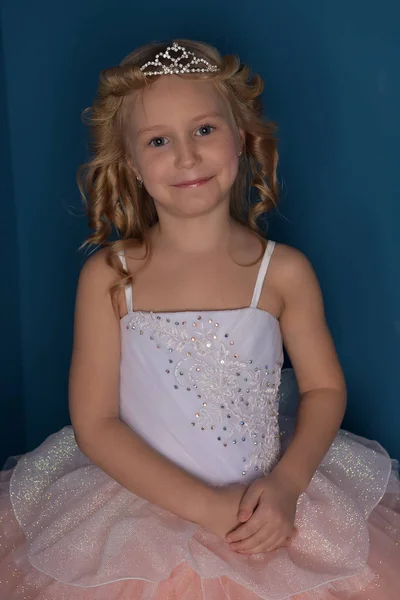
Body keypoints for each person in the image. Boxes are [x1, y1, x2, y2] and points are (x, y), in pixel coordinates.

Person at [0, 38, 399, 600]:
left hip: (270, 503)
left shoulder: (281, 272)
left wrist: (287, 484)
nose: (186, 157)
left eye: (204, 130)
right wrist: (207, 508)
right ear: (132, 164)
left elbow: (326, 387)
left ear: (240, 137)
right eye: (158, 141)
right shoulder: (111, 276)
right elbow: (95, 423)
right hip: (140, 515)